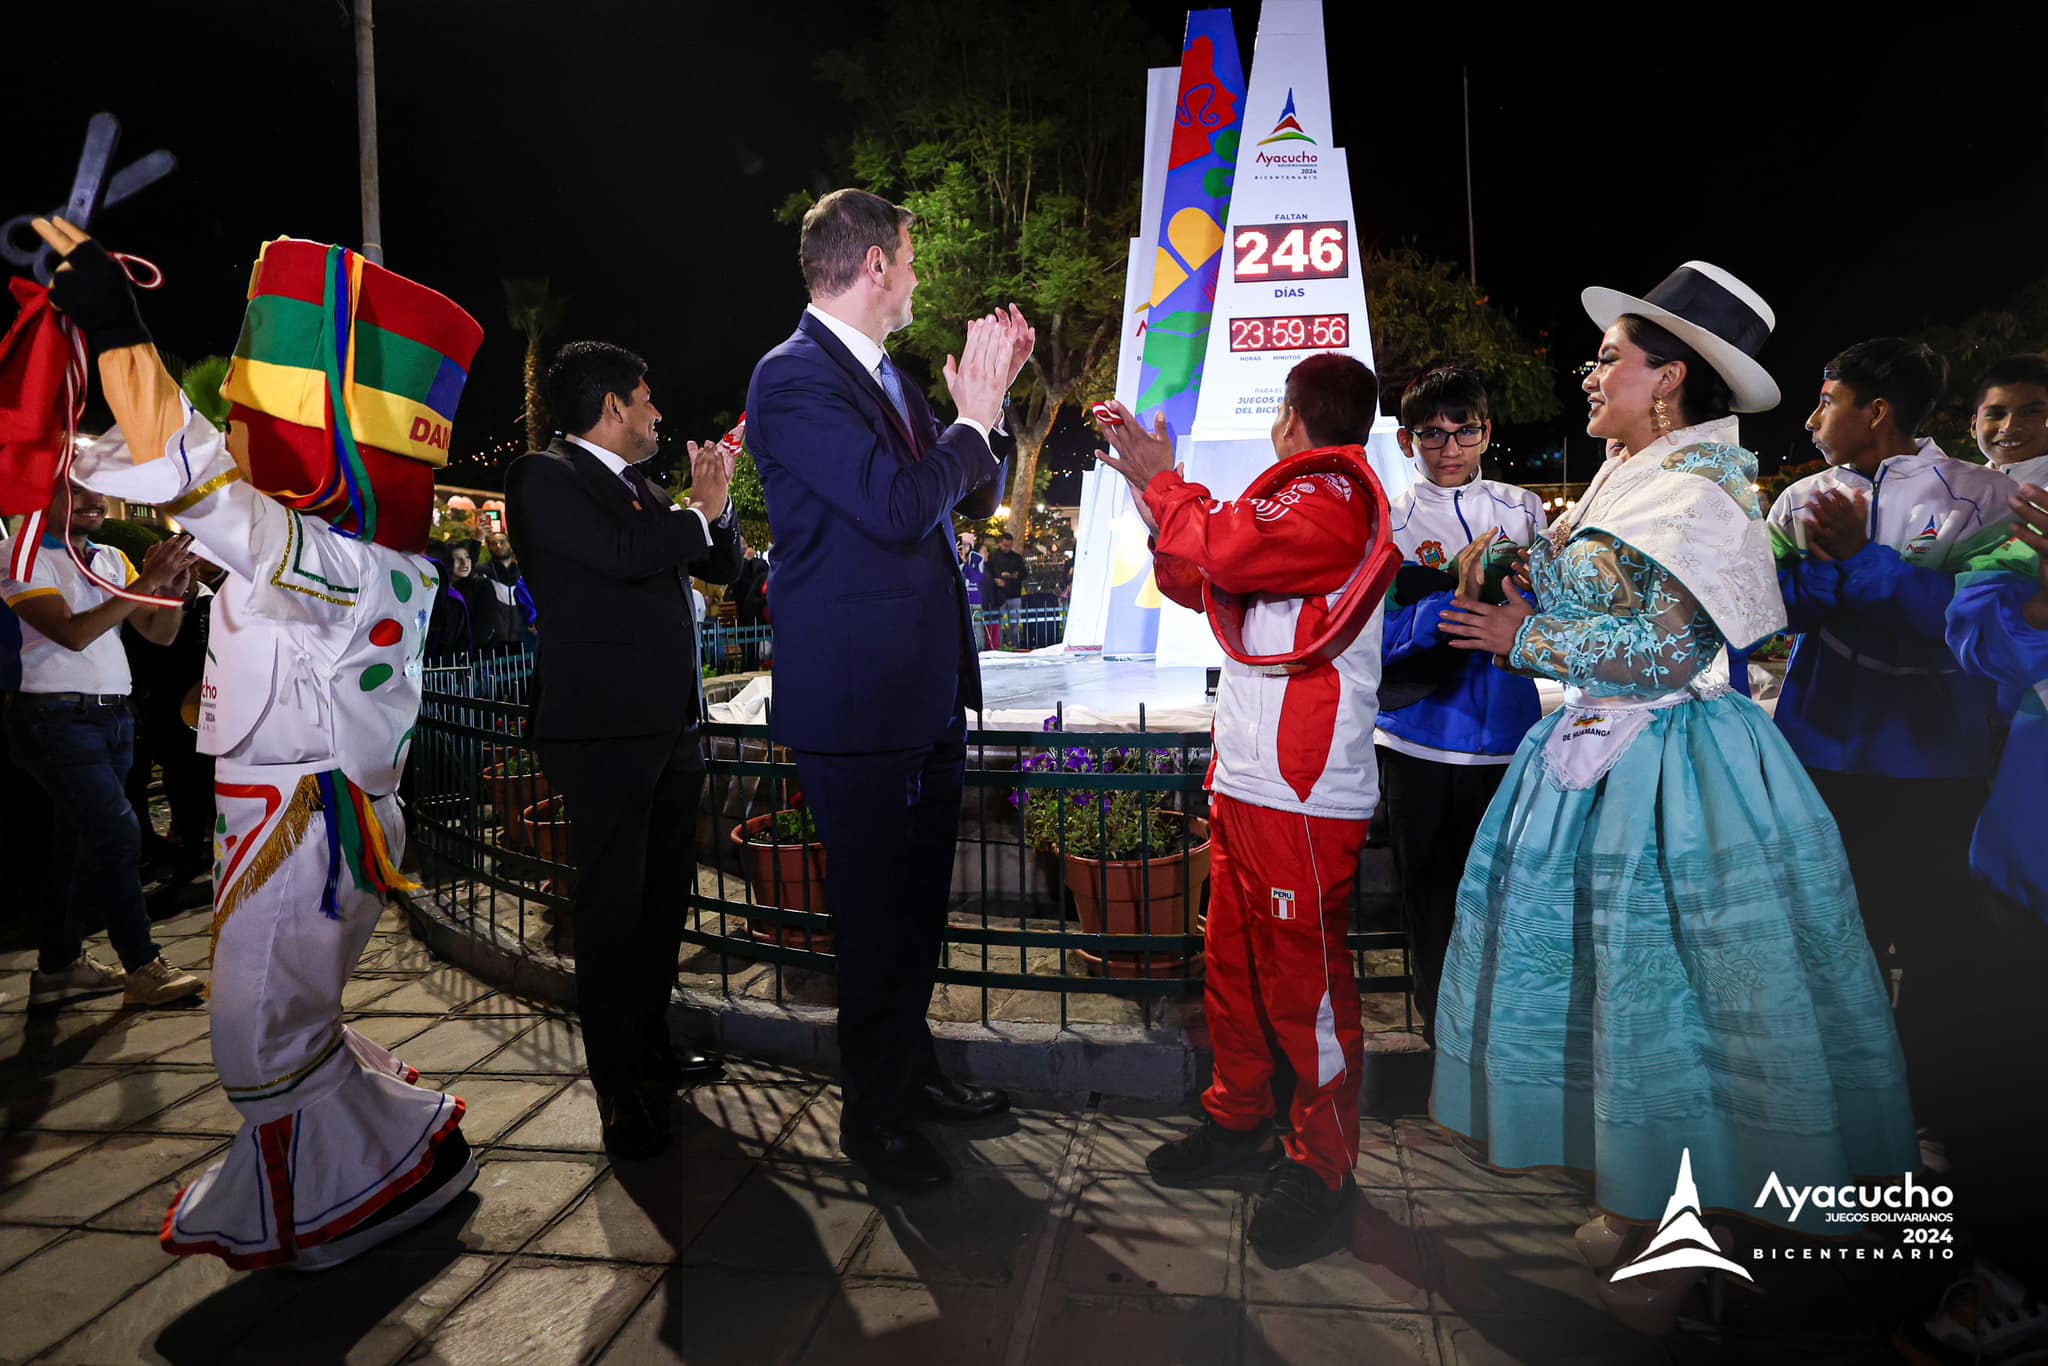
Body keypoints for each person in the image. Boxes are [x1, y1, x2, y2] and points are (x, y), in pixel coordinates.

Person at [1428, 263, 1917, 1333]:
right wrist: (1510, 564)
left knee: (1677, 1012)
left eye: (1609, 358)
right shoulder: (1627, 474)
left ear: (1669, 379)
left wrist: (1528, 637)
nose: (1588, 370)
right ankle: (1640, 1203)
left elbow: (1669, 649)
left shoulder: (1697, 492)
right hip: (1595, 765)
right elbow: (1592, 587)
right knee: (1615, 1005)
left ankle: (1683, 1238)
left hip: (1675, 778)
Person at [29, 217, 483, 1270]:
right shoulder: (329, 549)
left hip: (311, 832)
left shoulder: (354, 561)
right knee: (276, 1032)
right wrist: (67, 373)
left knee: (256, 1041)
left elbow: (202, 485)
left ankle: (359, 1196)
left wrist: (121, 334)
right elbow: (143, 471)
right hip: (277, 822)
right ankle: (377, 1172)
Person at [745, 187, 1027, 1191]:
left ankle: (911, 1075)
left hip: (920, 696)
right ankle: (874, 1120)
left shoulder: (895, 382)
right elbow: (899, 506)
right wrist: (975, 415)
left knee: (914, 915)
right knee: (872, 924)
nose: (913, 276)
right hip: (859, 708)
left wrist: (977, 419)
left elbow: (969, 492)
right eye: (907, 257)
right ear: (872, 266)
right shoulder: (789, 381)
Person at [1094, 353, 1395, 1258]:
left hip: (1304, 793)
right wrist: (1162, 499)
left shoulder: (1336, 499)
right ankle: (1239, 1122)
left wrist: (1166, 482)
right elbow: (1198, 576)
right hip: (1251, 781)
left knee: (1307, 992)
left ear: (1292, 419)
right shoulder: (1284, 504)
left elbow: (1219, 550)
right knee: (1229, 966)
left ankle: (1323, 1167)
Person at [507, 339, 743, 1158]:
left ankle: (651, 1045)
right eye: (646, 400)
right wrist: (695, 511)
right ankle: (617, 1090)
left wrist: (722, 504)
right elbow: (621, 557)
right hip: (604, 736)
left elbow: (723, 564)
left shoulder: (644, 491)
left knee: (661, 903)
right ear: (611, 407)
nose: (657, 414)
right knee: (610, 918)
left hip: (671, 729)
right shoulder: (546, 478)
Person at [1767, 339, 2014, 1115]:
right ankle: (1850, 1100)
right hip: (1819, 754)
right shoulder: (1798, 499)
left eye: (1827, 401)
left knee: (1937, 940)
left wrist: (1863, 563)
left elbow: (1974, 626)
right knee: (1836, 935)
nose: (1811, 420)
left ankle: (1937, 1103)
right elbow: (1772, 613)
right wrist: (1824, 569)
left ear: (1875, 411)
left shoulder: (1982, 497)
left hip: (1934, 767)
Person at [1899, 481, 2048, 1362]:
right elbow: (1978, 637)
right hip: (2017, 874)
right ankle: (1998, 1273)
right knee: (2003, 1104)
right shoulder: (2021, 535)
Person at [1374, 366, 1547, 1048]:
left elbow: (1554, 617)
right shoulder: (1386, 520)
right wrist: (1450, 598)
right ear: (1405, 437)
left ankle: (1505, 1044)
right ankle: (1443, 1045)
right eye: (1431, 434)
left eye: (1464, 430)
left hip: (1509, 737)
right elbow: (1370, 639)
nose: (1449, 448)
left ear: (1486, 431)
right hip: (1417, 738)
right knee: (1428, 898)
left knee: (1507, 900)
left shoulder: (1524, 509)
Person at [2, 479, 204, 1008]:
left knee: (75, 843)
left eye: (98, 491)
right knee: (118, 835)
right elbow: (71, 633)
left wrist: (173, 591)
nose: (94, 500)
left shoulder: (112, 557)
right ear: (39, 495)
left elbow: (159, 633)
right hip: (53, 716)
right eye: (75, 491)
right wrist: (148, 581)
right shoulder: (20, 556)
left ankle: (59, 968)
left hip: (113, 715)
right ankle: (142, 964)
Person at [1970, 354, 2048, 491]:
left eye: (2030, 412)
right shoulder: (1953, 492)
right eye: (1996, 415)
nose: (2009, 426)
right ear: (1973, 427)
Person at [984, 533, 1026, 647]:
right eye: (1005, 545)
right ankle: (999, 645)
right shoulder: (993, 557)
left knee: (1015, 624)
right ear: (1000, 543)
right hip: (999, 595)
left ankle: (1014, 645)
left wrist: (1013, 576)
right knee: (998, 623)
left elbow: (1024, 574)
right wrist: (996, 580)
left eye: (1009, 546)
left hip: (1014, 594)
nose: (1007, 548)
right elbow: (988, 574)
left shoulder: (1016, 557)